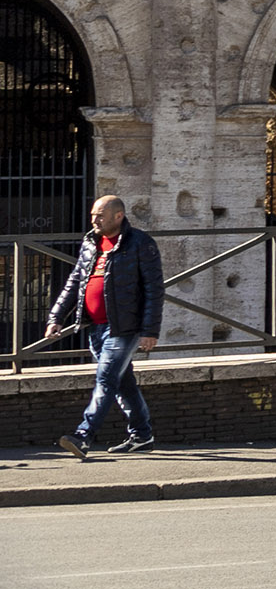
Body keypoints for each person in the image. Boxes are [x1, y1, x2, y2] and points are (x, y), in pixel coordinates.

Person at [49, 193, 164, 459]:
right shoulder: (91, 242)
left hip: (124, 328)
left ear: (118, 216)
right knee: (124, 383)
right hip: (96, 326)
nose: (94, 220)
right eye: (92, 215)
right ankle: (142, 435)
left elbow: (154, 290)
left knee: (106, 379)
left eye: (100, 215)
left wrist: (149, 331)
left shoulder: (140, 244)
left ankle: (83, 435)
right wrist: (56, 317)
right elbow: (75, 281)